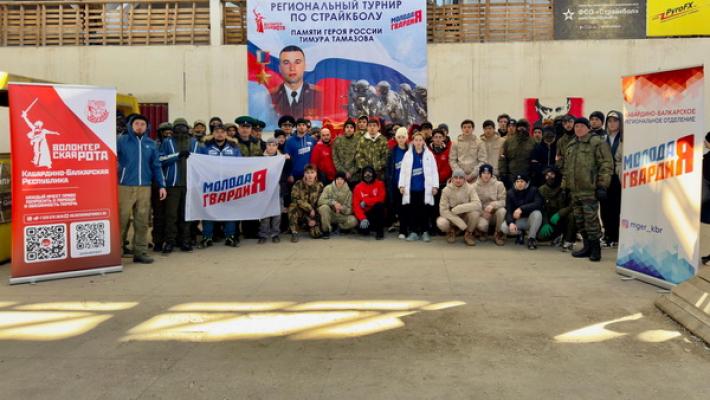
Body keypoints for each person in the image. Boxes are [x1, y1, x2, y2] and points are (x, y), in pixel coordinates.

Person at [562, 117, 613, 262]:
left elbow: (606, 165)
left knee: (591, 220)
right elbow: (567, 168)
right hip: (575, 190)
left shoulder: (596, 142)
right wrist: (565, 187)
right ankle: (587, 247)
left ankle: (596, 249)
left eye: (581, 126)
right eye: (576, 126)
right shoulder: (572, 144)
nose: (578, 129)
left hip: (590, 189)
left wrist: (602, 185)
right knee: (580, 220)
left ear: (588, 128)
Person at [118, 114, 166, 264]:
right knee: (121, 220)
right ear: (131, 126)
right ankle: (116, 251)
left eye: (142, 124)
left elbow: (156, 165)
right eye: (137, 124)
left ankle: (140, 251)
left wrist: (162, 185)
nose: (139, 126)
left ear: (147, 127)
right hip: (124, 186)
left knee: (142, 221)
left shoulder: (151, 144)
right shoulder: (121, 141)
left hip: (145, 187)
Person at [158, 117, 200, 254]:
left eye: (183, 127)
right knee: (171, 215)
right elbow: (160, 159)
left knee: (186, 215)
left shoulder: (194, 142)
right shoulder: (167, 142)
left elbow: (202, 161)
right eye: (177, 127)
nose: (180, 129)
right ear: (173, 129)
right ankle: (170, 241)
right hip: (173, 184)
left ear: (187, 128)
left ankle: (185, 241)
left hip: (190, 185)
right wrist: (177, 155)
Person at [197, 125, 242, 248]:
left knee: (230, 211)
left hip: (229, 184)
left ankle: (230, 237)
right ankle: (207, 237)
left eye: (222, 132)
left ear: (226, 134)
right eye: (217, 132)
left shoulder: (234, 147)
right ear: (213, 133)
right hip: (210, 185)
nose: (220, 134)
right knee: (208, 211)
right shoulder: (205, 147)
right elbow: (199, 164)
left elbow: (240, 164)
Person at [399, 133, 439, 242]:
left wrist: (435, 186)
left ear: (423, 142)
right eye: (416, 140)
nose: (418, 142)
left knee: (424, 211)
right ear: (413, 141)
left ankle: (425, 232)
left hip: (424, 189)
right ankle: (414, 232)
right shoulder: (407, 155)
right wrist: (402, 185)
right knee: (413, 211)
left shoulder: (429, 155)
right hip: (412, 189)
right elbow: (403, 172)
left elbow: (434, 171)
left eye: (420, 140)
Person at [270, 45, 322, 119]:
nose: (292, 68)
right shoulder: (270, 96)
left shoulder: (319, 94)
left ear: (305, 66)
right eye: (286, 63)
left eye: (297, 62)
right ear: (280, 68)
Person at [437, 169, 482, 246]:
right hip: (452, 217)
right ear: (452, 179)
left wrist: (459, 208)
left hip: (465, 216)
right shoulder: (446, 190)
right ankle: (451, 232)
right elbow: (443, 210)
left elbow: (478, 204)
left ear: (464, 179)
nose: (458, 180)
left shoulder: (470, 188)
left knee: (475, 213)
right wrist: (460, 223)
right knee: (441, 222)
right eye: (456, 177)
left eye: (461, 178)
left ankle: (468, 234)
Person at [500, 174, 544, 250]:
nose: (519, 184)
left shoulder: (534, 190)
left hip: (530, 219)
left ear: (527, 183)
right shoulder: (510, 193)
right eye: (517, 181)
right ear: (514, 183)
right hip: (518, 220)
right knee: (504, 227)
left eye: (522, 181)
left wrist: (521, 209)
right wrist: (511, 222)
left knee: (537, 214)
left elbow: (538, 204)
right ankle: (520, 233)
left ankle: (531, 239)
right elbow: (509, 211)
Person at [600, 110, 623, 247]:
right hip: (605, 177)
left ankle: (616, 236)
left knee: (617, 208)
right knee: (605, 208)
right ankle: (607, 234)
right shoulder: (603, 139)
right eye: (609, 121)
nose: (612, 123)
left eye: (615, 121)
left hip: (618, 178)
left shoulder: (625, 138)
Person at [538, 167, 575, 250]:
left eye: (552, 174)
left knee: (572, 216)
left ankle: (568, 240)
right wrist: (545, 222)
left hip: (563, 217)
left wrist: (560, 214)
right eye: (547, 175)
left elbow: (573, 205)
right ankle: (557, 237)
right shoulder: (542, 189)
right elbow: (540, 207)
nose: (549, 177)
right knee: (540, 237)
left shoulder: (565, 188)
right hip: (550, 220)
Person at [259, 138, 287, 244]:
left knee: (277, 213)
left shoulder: (282, 158)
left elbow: (288, 170)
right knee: (265, 213)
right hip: (265, 190)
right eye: (269, 145)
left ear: (277, 147)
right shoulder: (260, 158)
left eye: (274, 145)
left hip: (278, 189)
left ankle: (275, 234)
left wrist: (288, 159)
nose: (271, 147)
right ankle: (263, 234)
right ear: (266, 146)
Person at [151, 122, 173, 252]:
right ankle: (158, 241)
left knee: (171, 214)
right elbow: (159, 160)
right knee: (159, 214)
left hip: (172, 183)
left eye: (170, 131)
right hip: (157, 183)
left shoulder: (174, 144)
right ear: (160, 132)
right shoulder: (155, 144)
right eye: (165, 131)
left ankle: (171, 239)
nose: (168, 133)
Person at [473, 164, 507, 246]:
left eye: (488, 173)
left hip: (494, 213)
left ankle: (497, 234)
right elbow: (473, 203)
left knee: (502, 211)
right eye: (484, 173)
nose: (486, 175)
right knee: (482, 225)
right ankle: (482, 232)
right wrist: (482, 212)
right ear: (480, 174)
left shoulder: (499, 184)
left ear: (491, 174)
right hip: (482, 214)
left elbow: (503, 201)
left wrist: (493, 205)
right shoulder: (474, 186)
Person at [288, 164, 324, 242]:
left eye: (312, 172)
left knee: (316, 234)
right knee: (293, 206)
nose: (310, 175)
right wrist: (309, 209)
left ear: (316, 173)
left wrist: (315, 219)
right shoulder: (298, 184)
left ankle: (308, 227)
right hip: (302, 212)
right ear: (304, 174)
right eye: (307, 173)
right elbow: (295, 199)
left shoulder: (320, 185)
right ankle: (294, 232)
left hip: (313, 214)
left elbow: (321, 203)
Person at [318, 172, 358, 238]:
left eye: (341, 179)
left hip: (340, 215)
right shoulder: (328, 188)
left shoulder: (349, 192)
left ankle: (339, 227)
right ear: (335, 179)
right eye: (337, 179)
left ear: (344, 180)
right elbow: (320, 201)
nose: (339, 181)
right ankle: (326, 231)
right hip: (329, 214)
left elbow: (350, 209)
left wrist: (341, 208)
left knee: (354, 220)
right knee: (324, 207)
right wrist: (332, 202)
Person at [386, 127, 409, 238]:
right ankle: (402, 230)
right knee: (399, 207)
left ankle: (408, 228)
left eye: (403, 137)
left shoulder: (410, 151)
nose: (401, 139)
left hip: (408, 184)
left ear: (406, 138)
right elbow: (389, 169)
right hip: (396, 184)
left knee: (407, 207)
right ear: (396, 138)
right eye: (399, 137)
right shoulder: (392, 152)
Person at [499, 118, 535, 189]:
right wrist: (503, 173)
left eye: (524, 127)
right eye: (519, 126)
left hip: (527, 176)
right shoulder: (508, 141)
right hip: (511, 177)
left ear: (527, 128)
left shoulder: (533, 142)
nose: (521, 129)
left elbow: (536, 160)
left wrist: (534, 174)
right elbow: (503, 158)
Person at [352, 166, 386, 239]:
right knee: (364, 232)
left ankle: (379, 231)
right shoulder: (358, 187)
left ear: (373, 174)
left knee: (380, 206)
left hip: (375, 212)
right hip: (365, 214)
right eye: (365, 173)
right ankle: (368, 227)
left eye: (370, 173)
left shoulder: (380, 184)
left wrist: (366, 201)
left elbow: (381, 198)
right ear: (362, 175)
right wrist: (362, 218)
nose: (368, 175)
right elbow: (356, 206)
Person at [449, 119, 487, 184]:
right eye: (464, 127)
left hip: (475, 177)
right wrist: (460, 173)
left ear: (473, 129)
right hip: (459, 177)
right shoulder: (455, 143)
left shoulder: (479, 143)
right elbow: (452, 160)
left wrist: (473, 174)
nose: (467, 129)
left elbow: (482, 161)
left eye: (469, 127)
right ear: (461, 129)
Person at [430, 128, 452, 231]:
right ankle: (433, 226)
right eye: (435, 137)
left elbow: (450, 166)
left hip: (444, 183)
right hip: (432, 184)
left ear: (443, 138)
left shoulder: (448, 150)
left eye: (440, 137)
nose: (438, 139)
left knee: (442, 206)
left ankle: (442, 227)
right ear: (432, 138)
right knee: (432, 206)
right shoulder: (428, 151)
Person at [333, 119, 360, 184]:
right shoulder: (338, 140)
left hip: (355, 177)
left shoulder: (358, 141)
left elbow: (360, 159)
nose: (349, 129)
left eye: (351, 127)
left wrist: (351, 172)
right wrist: (344, 172)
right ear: (344, 129)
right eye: (347, 127)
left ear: (354, 129)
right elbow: (335, 158)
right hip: (341, 177)